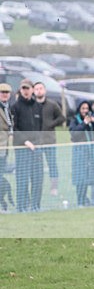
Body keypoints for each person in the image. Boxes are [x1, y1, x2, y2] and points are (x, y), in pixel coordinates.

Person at [11, 79, 44, 211]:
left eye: (27, 88)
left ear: (32, 90)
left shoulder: (38, 107)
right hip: (22, 149)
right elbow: (14, 128)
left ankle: (35, 206)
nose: (25, 91)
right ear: (20, 90)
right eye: (23, 89)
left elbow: (40, 127)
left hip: (36, 148)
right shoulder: (15, 107)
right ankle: (21, 207)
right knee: (22, 179)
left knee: (37, 179)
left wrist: (37, 143)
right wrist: (25, 141)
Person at [33, 81, 65, 197]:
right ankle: (38, 188)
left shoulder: (52, 105)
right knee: (37, 167)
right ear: (33, 91)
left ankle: (54, 188)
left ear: (45, 90)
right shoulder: (31, 105)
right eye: (36, 89)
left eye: (41, 88)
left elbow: (61, 118)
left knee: (52, 164)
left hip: (49, 141)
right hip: (35, 142)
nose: (39, 91)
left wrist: (51, 124)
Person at [68, 101, 94, 207]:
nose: (85, 111)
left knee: (91, 177)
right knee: (80, 178)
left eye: (87, 108)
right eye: (83, 108)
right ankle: (80, 200)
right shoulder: (74, 121)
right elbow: (74, 134)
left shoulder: (93, 119)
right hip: (80, 152)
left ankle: (91, 200)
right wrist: (84, 123)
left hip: (92, 152)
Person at [0, 83, 14, 211]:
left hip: (4, 149)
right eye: (2, 92)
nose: (4, 94)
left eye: (6, 92)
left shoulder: (7, 108)